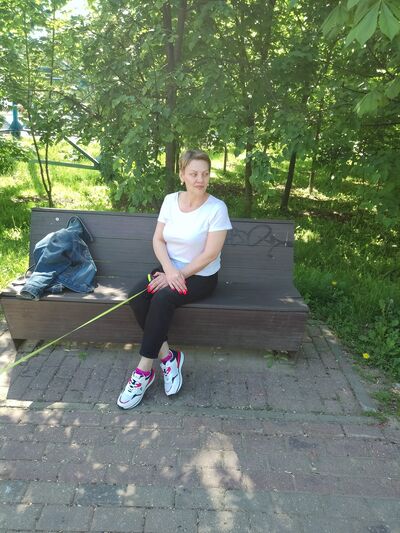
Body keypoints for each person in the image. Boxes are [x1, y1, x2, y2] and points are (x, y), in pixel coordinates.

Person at [117, 149, 232, 409]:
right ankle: (169, 358)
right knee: (137, 296)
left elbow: (210, 254)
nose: (200, 179)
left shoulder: (217, 208)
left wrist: (177, 276)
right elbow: (158, 239)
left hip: (200, 275)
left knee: (162, 299)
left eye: (205, 174)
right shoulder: (170, 201)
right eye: (194, 174)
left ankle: (143, 372)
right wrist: (169, 271)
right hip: (170, 268)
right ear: (182, 175)